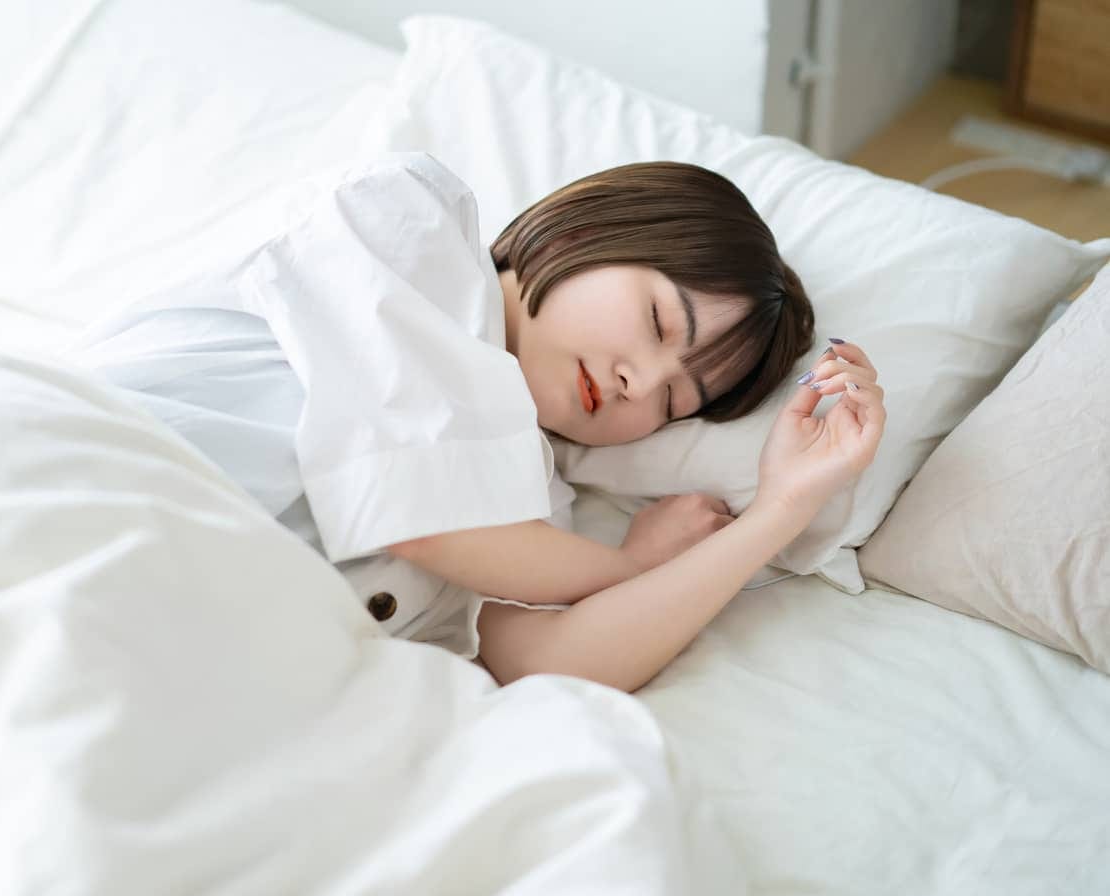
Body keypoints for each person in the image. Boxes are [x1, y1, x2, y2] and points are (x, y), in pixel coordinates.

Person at [73, 152, 885, 692]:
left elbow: (558, 663)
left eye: (673, 402)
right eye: (657, 322)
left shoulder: (536, 514)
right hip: (87, 494)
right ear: (582, 235)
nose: (638, 383)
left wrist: (782, 509)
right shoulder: (406, 223)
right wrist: (630, 566)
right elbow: (424, 520)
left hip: (165, 650)